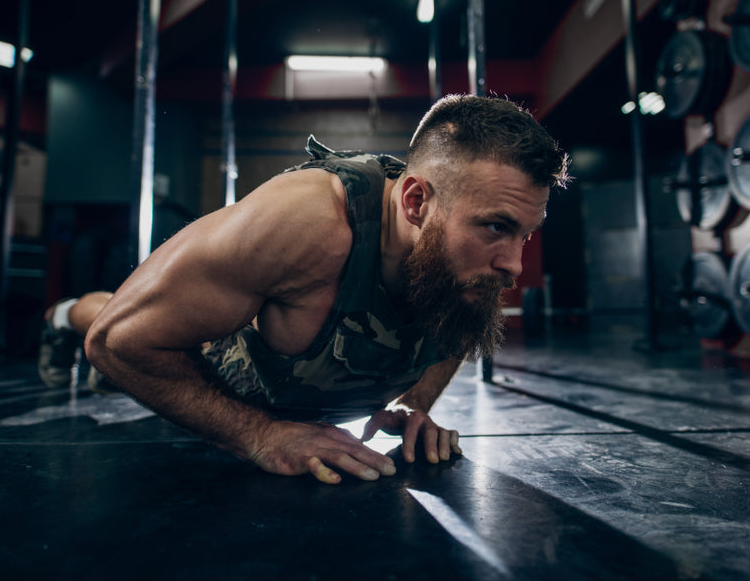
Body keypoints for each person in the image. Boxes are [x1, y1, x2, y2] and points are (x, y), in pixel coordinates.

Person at [38, 94, 570, 484]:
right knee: (111, 316)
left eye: (525, 234)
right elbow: (116, 343)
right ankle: (61, 314)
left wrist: (413, 405)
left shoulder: (466, 265)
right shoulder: (305, 225)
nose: (515, 264)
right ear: (415, 204)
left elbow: (454, 320)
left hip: (314, 381)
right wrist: (261, 435)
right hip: (222, 367)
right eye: (497, 227)